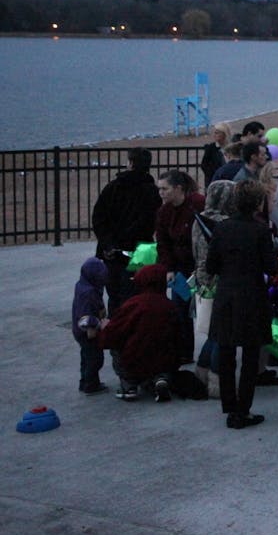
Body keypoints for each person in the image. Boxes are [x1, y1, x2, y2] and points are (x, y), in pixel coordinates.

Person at [207, 180, 277, 429]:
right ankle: (243, 409)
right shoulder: (260, 231)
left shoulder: (222, 228)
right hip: (252, 295)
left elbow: (211, 265)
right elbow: (271, 267)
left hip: (226, 294)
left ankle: (230, 406)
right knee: (249, 355)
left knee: (226, 351)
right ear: (257, 203)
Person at [90, 147, 161, 316]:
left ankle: (117, 333)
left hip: (113, 250)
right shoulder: (152, 191)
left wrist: (107, 243)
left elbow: (98, 218)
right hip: (143, 248)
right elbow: (154, 221)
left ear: (130, 163)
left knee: (115, 296)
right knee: (141, 294)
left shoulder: (113, 188)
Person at [98, 263, 181, 402]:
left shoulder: (134, 304)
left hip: (135, 358)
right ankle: (161, 379)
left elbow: (114, 333)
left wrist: (104, 330)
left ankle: (129, 385)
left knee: (117, 347)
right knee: (165, 351)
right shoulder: (170, 306)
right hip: (164, 359)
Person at [191, 179, 236, 397]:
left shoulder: (198, 220)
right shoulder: (225, 222)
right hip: (221, 280)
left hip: (202, 280)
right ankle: (217, 380)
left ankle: (201, 370)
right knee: (222, 334)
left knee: (212, 331)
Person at [154, 169, 203, 363]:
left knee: (206, 310)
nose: (161, 193)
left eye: (165, 189)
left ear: (178, 188)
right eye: (160, 189)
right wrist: (169, 269)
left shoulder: (197, 203)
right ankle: (184, 352)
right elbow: (163, 242)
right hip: (180, 269)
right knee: (180, 311)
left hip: (201, 266)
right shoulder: (164, 212)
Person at [72, 256, 108, 394]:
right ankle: (91, 385)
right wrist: (98, 324)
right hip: (87, 331)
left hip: (79, 331)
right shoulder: (88, 293)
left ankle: (85, 381)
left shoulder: (82, 285)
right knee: (95, 359)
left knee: (86, 357)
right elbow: (85, 317)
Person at [200, 121, 233, 187]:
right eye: (214, 132)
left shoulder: (232, 147)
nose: (214, 134)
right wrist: (213, 174)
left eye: (217, 132)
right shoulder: (211, 148)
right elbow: (204, 164)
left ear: (224, 134)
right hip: (215, 180)